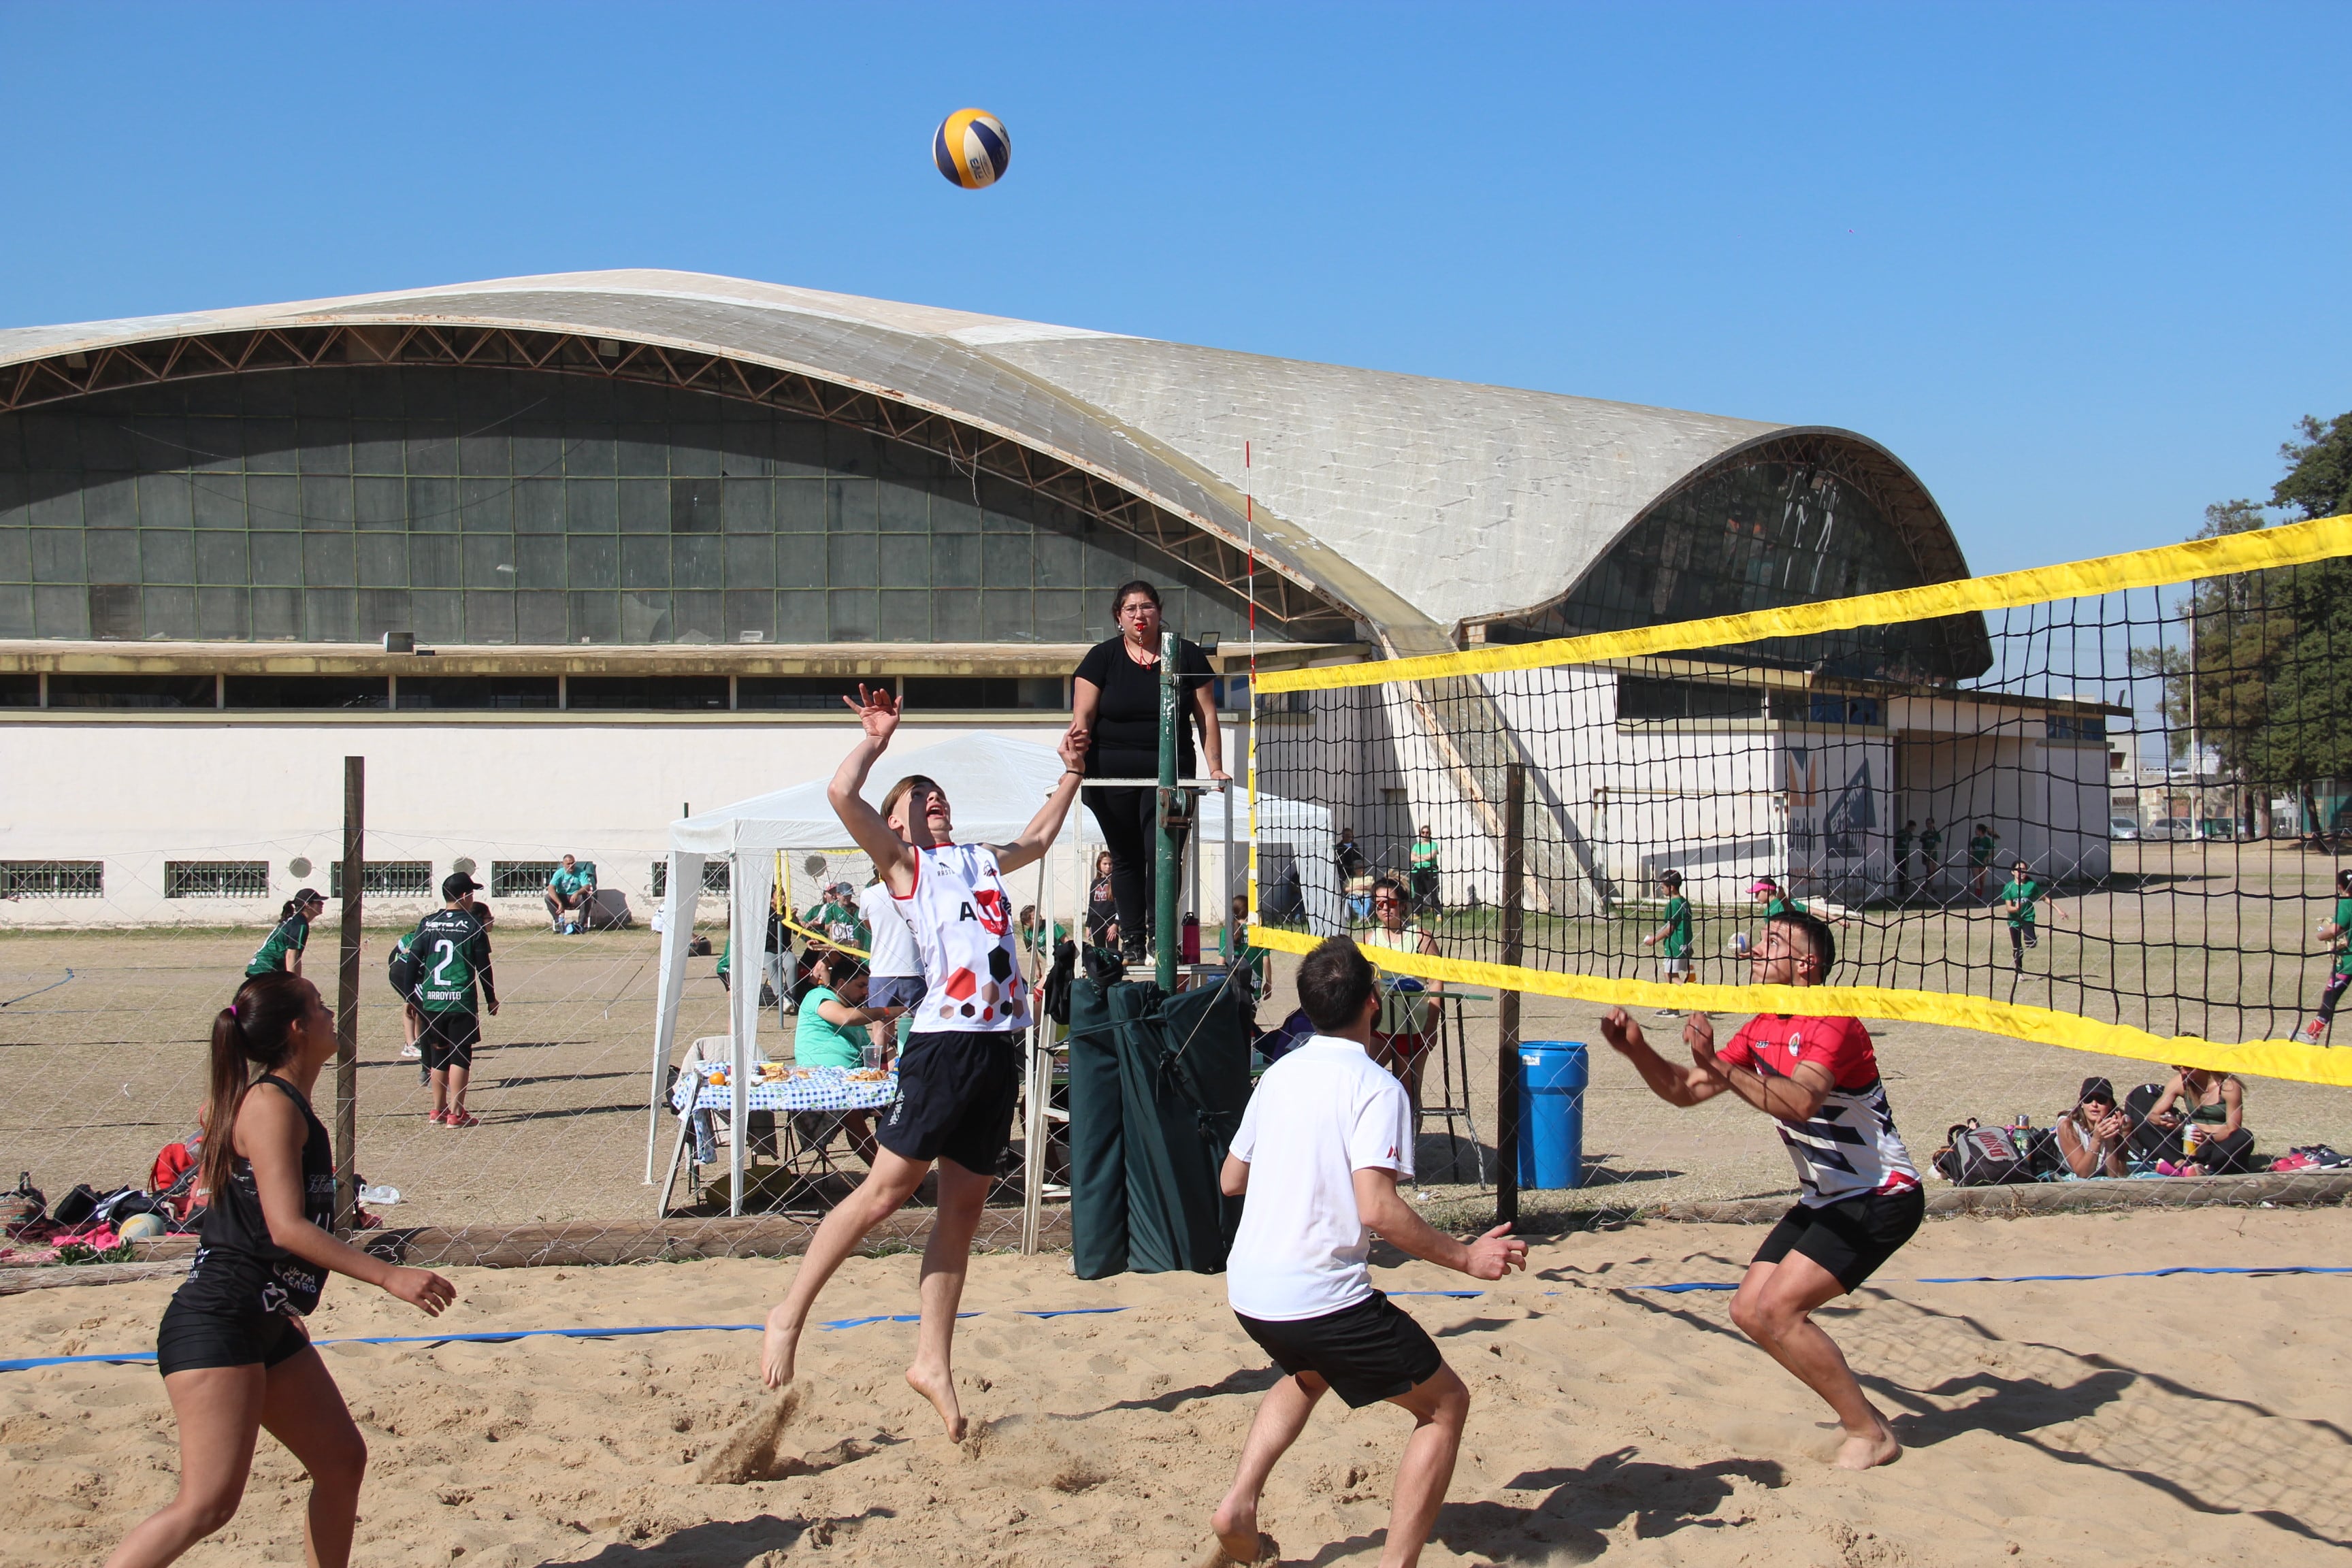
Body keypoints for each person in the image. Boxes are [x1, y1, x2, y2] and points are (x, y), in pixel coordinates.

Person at [760, 684, 1087, 1439]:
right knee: (884, 1193)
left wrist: (1069, 771)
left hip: (996, 1049)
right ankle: (789, 1313)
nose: (932, 799)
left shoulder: (977, 861)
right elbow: (843, 793)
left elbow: (1037, 839)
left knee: (964, 1209)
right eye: (919, 797)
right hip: (941, 1045)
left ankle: (930, 1360)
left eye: (938, 794)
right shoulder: (907, 867)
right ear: (898, 821)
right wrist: (878, 741)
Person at [103, 971, 455, 1568]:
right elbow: (285, 1227)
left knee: (341, 1461)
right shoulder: (269, 1105)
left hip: (263, 1318)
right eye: (320, 1007)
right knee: (208, 1505)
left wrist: (286, 1305)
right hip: (219, 1320)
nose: (331, 1015)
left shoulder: (286, 1103)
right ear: (297, 1028)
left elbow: (258, 1233)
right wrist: (389, 1275)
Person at [1207, 936, 1525, 1568]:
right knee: (1445, 1406)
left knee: (1308, 1370)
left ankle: (1239, 1502)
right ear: (1374, 1004)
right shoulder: (1377, 1087)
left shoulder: (1278, 1074)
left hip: (1250, 1292)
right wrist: (1467, 1257)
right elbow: (1377, 1210)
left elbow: (1230, 1180)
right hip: (1318, 1297)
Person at [1599, 908, 1921, 1470]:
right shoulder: (1760, 1024)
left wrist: (1714, 1064)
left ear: (1806, 963)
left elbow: (1800, 1102)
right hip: (1827, 1197)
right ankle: (1860, 1419)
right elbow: (1686, 1091)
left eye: (1773, 941)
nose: (1754, 948)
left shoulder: (1833, 1018)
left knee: (1778, 1309)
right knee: (1749, 1311)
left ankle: (1868, 1432)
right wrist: (1637, 1050)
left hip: (1881, 1196)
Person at [1068, 581, 1226, 964]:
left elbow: (1206, 716)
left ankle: (1161, 936)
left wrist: (1216, 767)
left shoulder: (1185, 655)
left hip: (1171, 773)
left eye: (1147, 607)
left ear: (1159, 611)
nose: (1140, 615)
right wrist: (1074, 761)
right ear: (1118, 617)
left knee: (1165, 854)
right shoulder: (1101, 657)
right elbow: (1082, 717)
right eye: (1131, 609)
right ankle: (1133, 941)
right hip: (1112, 775)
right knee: (1125, 856)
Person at [409, 874, 497, 1129]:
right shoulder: (472, 925)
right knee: (460, 1055)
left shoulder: (428, 922)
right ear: (463, 896)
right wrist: (491, 998)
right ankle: (456, 1114)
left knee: (439, 1056)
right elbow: (484, 967)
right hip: (460, 1000)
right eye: (472, 893)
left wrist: (410, 996)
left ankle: (437, 1109)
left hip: (432, 1001)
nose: (473, 898)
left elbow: (413, 961)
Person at [793, 949, 892, 1164]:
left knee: (895, 1101)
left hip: (855, 1083)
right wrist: (886, 1011)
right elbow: (845, 1018)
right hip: (822, 1081)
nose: (866, 992)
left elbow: (872, 1058)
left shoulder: (855, 1015)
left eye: (868, 987)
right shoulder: (819, 996)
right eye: (860, 986)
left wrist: (882, 1033)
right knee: (851, 1111)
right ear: (841, 983)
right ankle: (881, 1174)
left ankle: (891, 1166)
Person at [1360, 877, 1442, 1128]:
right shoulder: (1369, 939)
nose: (1385, 909)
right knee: (1364, 1081)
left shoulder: (1420, 938)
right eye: (1380, 904)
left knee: (1408, 1092)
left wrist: (1431, 1026)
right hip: (1381, 1026)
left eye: (1391, 903)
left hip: (1414, 1026)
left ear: (1403, 905)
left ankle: (1410, 1157)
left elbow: (1436, 982)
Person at [859, 872, 923, 1058]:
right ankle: (923, 1068)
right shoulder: (918, 891)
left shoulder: (869, 894)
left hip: (885, 970)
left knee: (880, 1027)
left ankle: (876, 1072)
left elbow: (868, 924)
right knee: (922, 1025)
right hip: (914, 969)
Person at [2150, 1065, 2257, 1175]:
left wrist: (2208, 1138)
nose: (2183, 1072)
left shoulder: (2228, 1086)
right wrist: (2162, 1120)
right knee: (2143, 1123)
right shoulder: (2181, 1081)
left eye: (2188, 1068)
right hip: (2191, 1144)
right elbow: (2152, 1115)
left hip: (2219, 1145)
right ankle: (2185, 1167)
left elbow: (2233, 1129)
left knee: (2244, 1136)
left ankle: (2204, 1168)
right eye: (2178, 1068)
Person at [2302, 866, 2352, 1043]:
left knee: (2331, 995)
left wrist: (2321, 934)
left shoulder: (2347, 904)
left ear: (2340, 886)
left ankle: (2311, 1034)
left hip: (2347, 962)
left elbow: (2335, 930)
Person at [1997, 858, 2069, 973]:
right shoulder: (2009, 887)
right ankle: (2019, 971)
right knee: (2017, 949)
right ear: (2013, 872)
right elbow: (2008, 908)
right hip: (2014, 920)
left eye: (2024, 869)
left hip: (2027, 918)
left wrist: (2059, 910)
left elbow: (2044, 898)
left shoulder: (2031, 886)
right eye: (2018, 870)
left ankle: (2030, 940)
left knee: (2031, 943)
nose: (2021, 872)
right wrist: (2015, 908)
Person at [1642, 870, 1697, 1015]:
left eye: (1663, 887)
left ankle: (1694, 1000)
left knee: (1671, 976)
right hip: (1684, 944)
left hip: (1674, 946)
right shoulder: (1684, 902)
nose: (1661, 889)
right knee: (1672, 975)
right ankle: (1674, 1007)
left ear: (1671, 887)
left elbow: (1670, 928)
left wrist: (1654, 939)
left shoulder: (1673, 904)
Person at [2054, 1075, 2130, 1178]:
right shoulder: (2067, 1125)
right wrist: (2096, 1140)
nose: (2094, 1104)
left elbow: (2115, 1175)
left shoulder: (2122, 1123)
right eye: (2088, 1099)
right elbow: (2083, 1174)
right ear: (2081, 1103)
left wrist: (2110, 1140)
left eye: (2101, 1099)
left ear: (2111, 1104)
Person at [245, 889, 323, 979]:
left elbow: (297, 958)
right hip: (266, 969)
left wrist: (298, 980)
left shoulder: (297, 921)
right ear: (308, 905)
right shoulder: (299, 924)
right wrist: (293, 983)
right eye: (318, 902)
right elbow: (291, 955)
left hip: (263, 968)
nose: (322, 904)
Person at [1220, 892, 1268, 1004]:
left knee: (1235, 1019)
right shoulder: (1258, 931)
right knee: (1249, 1018)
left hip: (1232, 986)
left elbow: (1221, 962)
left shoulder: (1227, 931)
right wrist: (1269, 982)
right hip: (1254, 985)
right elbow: (1266, 959)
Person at [544, 854, 595, 933]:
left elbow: (587, 886)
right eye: (568, 864)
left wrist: (577, 893)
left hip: (576, 898)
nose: (571, 866)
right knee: (548, 897)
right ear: (563, 864)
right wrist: (559, 903)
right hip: (562, 897)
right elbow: (551, 888)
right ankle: (559, 923)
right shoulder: (559, 873)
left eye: (573, 863)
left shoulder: (581, 872)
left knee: (588, 897)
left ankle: (581, 925)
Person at [1084, 849, 1118, 949]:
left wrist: (1116, 924)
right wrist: (1088, 925)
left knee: (1112, 951)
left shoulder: (1115, 882)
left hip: (1110, 921)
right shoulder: (1095, 883)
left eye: (1110, 864)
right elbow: (1091, 905)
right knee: (1100, 951)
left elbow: (1120, 906)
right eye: (1105, 864)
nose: (1108, 866)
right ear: (1099, 865)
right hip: (1096, 922)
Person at [1408, 826, 1441, 915]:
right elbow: (1412, 858)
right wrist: (1425, 858)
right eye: (1423, 832)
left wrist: (1418, 857)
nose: (1425, 834)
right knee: (1418, 893)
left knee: (1433, 893)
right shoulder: (1416, 846)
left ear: (1430, 834)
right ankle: (1417, 913)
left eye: (1427, 832)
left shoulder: (1433, 845)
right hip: (1417, 871)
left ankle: (1438, 913)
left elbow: (1432, 856)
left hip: (1430, 871)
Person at [1968, 823, 2000, 900]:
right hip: (1975, 862)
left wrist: (1986, 858)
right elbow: (1972, 850)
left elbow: (1992, 852)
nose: (1975, 831)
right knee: (1977, 880)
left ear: (1980, 831)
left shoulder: (1987, 840)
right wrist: (1970, 859)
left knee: (1982, 880)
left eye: (1976, 830)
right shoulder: (1975, 840)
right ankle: (1978, 897)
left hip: (1983, 863)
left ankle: (1980, 894)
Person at [1918, 818, 1944, 900]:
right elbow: (1923, 845)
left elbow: (1936, 844)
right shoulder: (1924, 834)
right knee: (1930, 871)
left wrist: (1931, 853)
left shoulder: (1936, 834)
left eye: (1930, 823)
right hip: (1926, 855)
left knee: (1933, 872)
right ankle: (1933, 888)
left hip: (1934, 855)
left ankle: (1925, 886)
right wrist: (1925, 854)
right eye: (1927, 823)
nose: (1929, 825)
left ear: (1933, 824)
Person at [1893, 820, 1916, 898]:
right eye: (1911, 828)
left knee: (1906, 872)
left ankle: (1905, 889)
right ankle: (1901, 889)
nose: (1912, 830)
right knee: (1900, 872)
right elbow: (1894, 841)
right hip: (1899, 855)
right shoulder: (1900, 833)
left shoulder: (1909, 835)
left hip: (1906, 855)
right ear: (1908, 826)